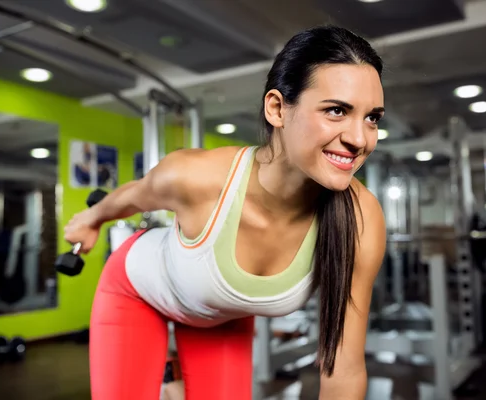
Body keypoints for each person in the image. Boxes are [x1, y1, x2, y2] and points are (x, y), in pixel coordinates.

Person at [63, 25, 386, 400]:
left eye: (372, 118)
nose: (360, 139)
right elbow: (134, 196)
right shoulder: (197, 177)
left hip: (220, 319)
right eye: (336, 111)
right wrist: (91, 220)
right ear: (277, 109)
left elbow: (343, 370)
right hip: (135, 294)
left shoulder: (360, 218)